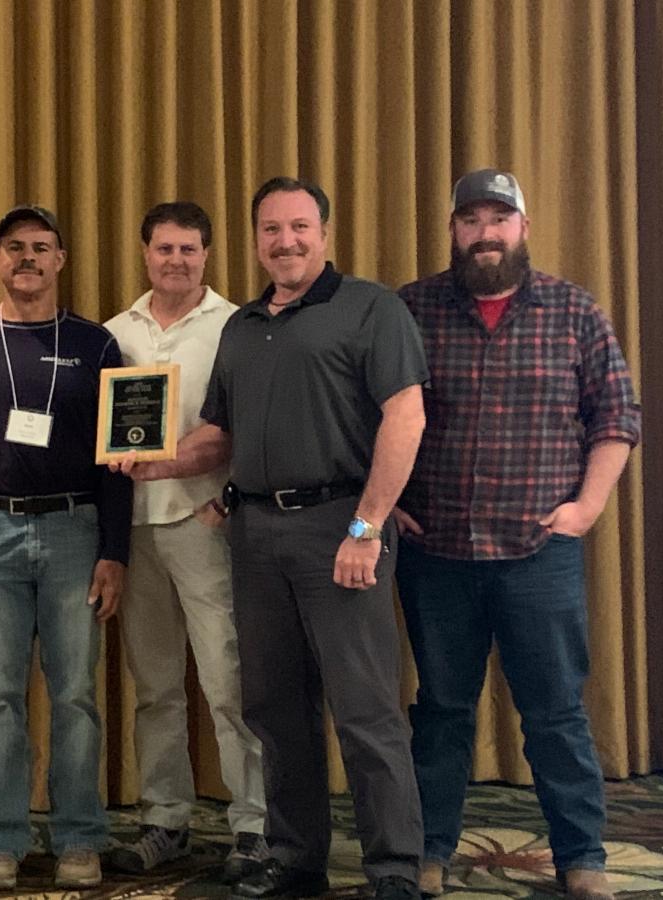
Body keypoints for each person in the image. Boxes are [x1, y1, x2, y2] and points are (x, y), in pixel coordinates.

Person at [114, 177, 426, 900]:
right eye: (271, 230)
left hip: (339, 529)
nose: (285, 242)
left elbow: (405, 417)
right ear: (255, 240)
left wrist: (367, 527)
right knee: (275, 709)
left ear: (324, 234)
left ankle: (393, 870)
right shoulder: (243, 326)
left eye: (299, 227)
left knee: (365, 711)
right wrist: (155, 462)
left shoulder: (371, 308)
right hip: (254, 535)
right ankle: (294, 857)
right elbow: (219, 434)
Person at [394, 169, 642, 900]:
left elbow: (617, 417)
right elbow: (369, 411)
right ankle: (429, 850)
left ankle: (582, 856)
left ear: (523, 228)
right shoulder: (410, 309)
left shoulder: (574, 310)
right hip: (436, 552)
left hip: (540, 553)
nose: (486, 233)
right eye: (471, 220)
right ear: (452, 231)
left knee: (556, 713)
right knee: (441, 712)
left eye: (498, 219)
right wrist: (387, 501)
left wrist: (587, 508)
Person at [0, 205, 132, 891]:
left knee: (75, 695)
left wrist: (115, 551)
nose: (28, 258)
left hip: (76, 531)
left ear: (60, 260)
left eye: (41, 247)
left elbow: (117, 460)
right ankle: (1, 841)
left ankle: (78, 838)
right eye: (14, 247)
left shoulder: (97, 345)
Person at [102, 201, 267, 882]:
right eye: (164, 248)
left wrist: (227, 492)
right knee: (156, 687)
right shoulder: (115, 333)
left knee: (229, 682)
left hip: (206, 524)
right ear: (146, 254)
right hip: (135, 529)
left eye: (189, 249)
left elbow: (249, 426)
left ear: (207, 255)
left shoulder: (236, 327)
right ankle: (164, 819)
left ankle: (255, 826)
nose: (176, 260)